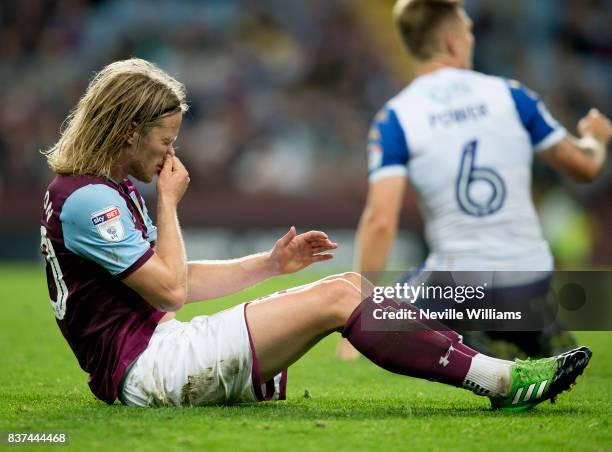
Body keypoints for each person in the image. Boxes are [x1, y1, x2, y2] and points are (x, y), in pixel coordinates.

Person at [40, 57, 591, 411]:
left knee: (347, 286)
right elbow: (169, 290)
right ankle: (503, 380)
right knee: (341, 294)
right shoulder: (90, 198)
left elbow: (170, 280)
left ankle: (501, 372)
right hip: (150, 369)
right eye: (165, 137)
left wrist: (271, 265)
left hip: (154, 358)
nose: (170, 152)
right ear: (131, 129)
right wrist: (167, 204)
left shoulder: (97, 190)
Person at [338, 0, 612, 360]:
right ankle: (532, 325)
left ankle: (472, 337)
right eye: (467, 32)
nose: (471, 39)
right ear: (453, 41)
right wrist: (597, 138)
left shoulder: (396, 117)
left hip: (461, 288)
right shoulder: (513, 95)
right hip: (532, 279)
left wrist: (358, 320)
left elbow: (379, 221)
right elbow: (585, 168)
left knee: (390, 309)